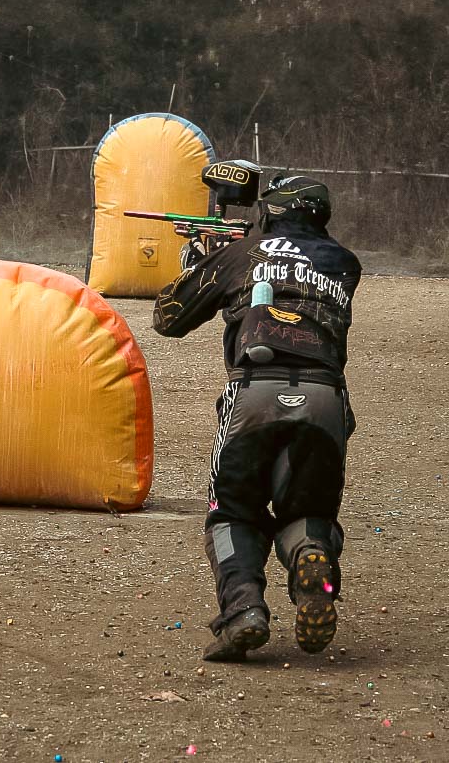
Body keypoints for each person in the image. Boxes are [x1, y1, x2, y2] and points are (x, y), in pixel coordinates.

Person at [152, 175, 362, 662]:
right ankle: (312, 560)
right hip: (325, 397)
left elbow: (168, 317)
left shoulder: (242, 254)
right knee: (309, 512)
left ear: (271, 211)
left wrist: (199, 262)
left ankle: (243, 611)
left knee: (232, 512)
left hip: (253, 392)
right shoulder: (345, 262)